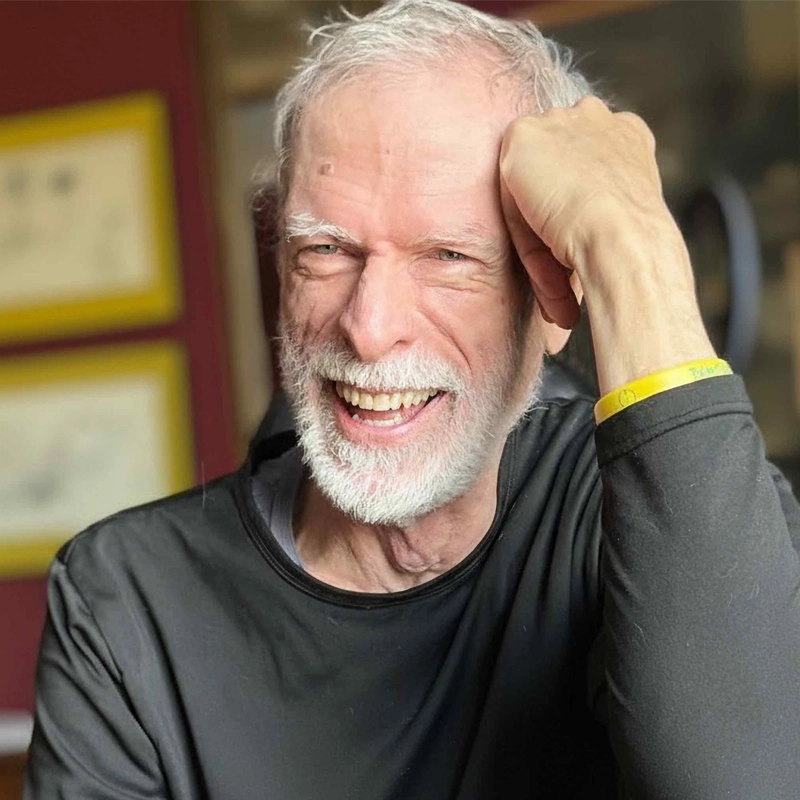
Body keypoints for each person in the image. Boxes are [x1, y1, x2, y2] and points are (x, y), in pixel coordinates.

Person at [25, 1, 800, 798]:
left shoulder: (668, 518)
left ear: (553, 297)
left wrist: (630, 240)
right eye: (326, 249)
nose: (368, 329)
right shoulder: (128, 598)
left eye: (448, 256)